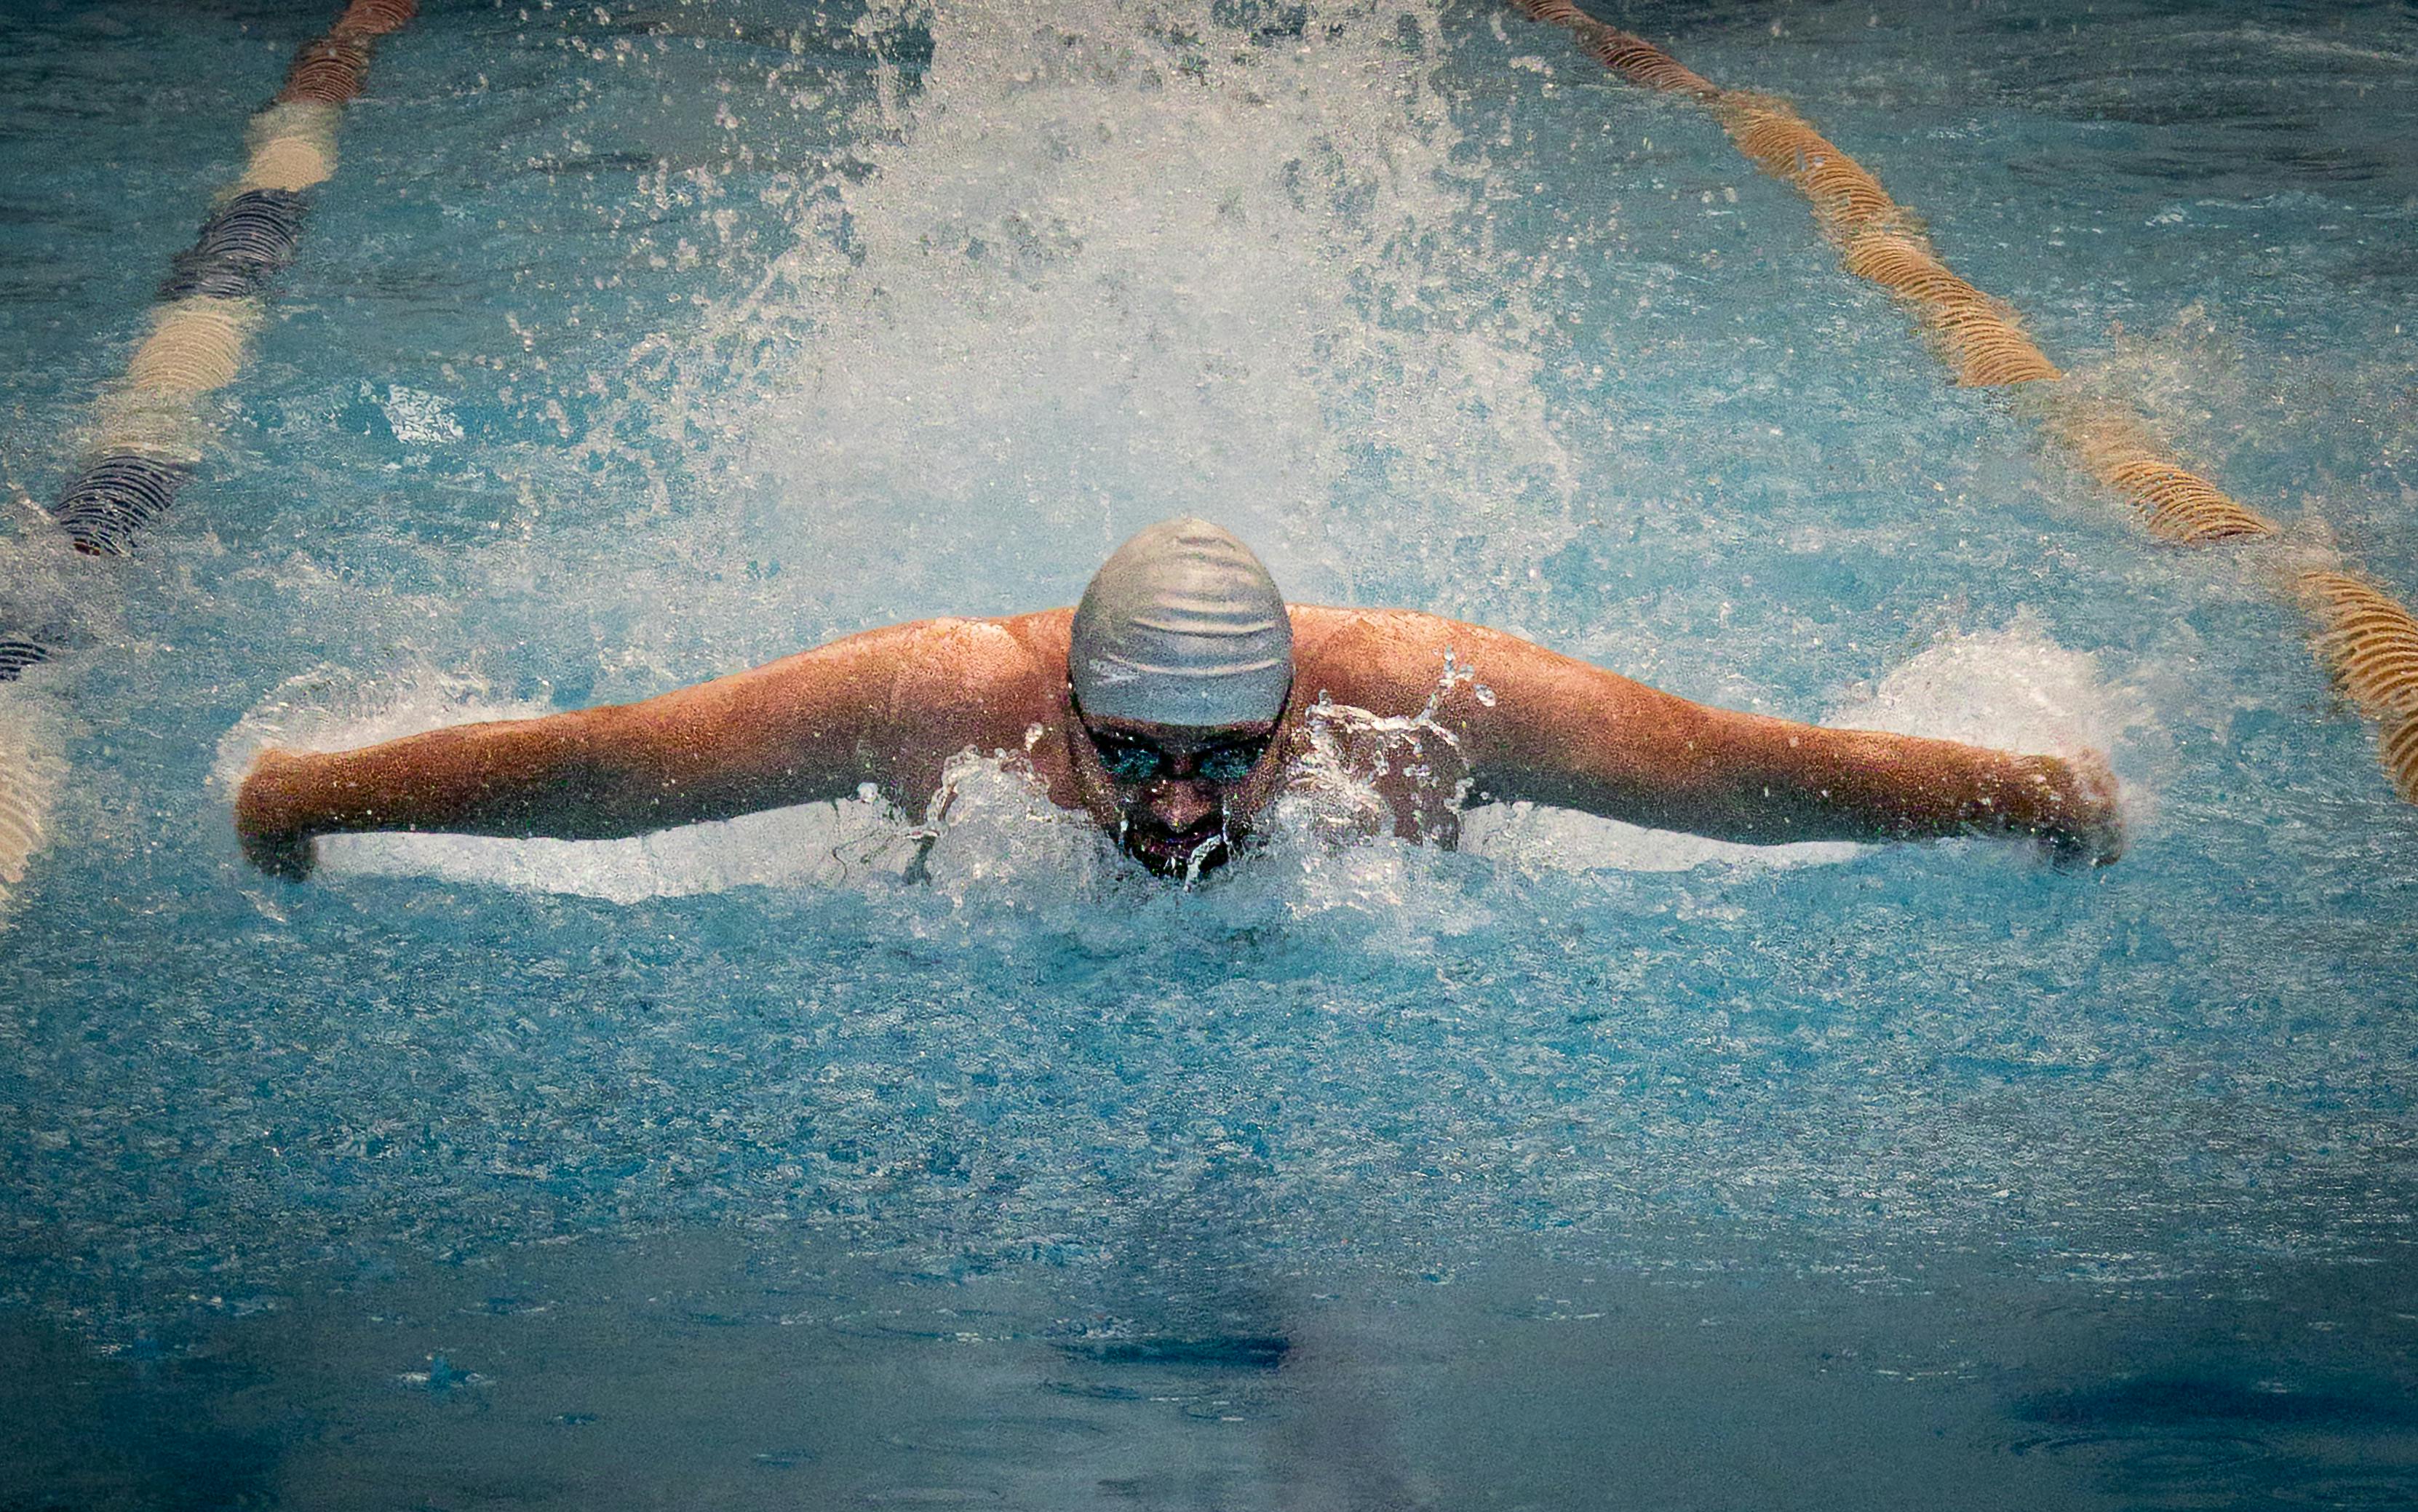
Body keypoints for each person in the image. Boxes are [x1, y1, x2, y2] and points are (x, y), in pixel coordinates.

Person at [234, 517, 2122, 881]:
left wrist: (2022, 797)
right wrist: (308, 797)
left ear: (1299, 709)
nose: (1178, 816)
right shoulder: (936, 704)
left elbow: (1734, 780)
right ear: (1054, 701)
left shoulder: (1426, 705)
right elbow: (608, 776)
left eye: (1226, 760)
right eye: (1126, 756)